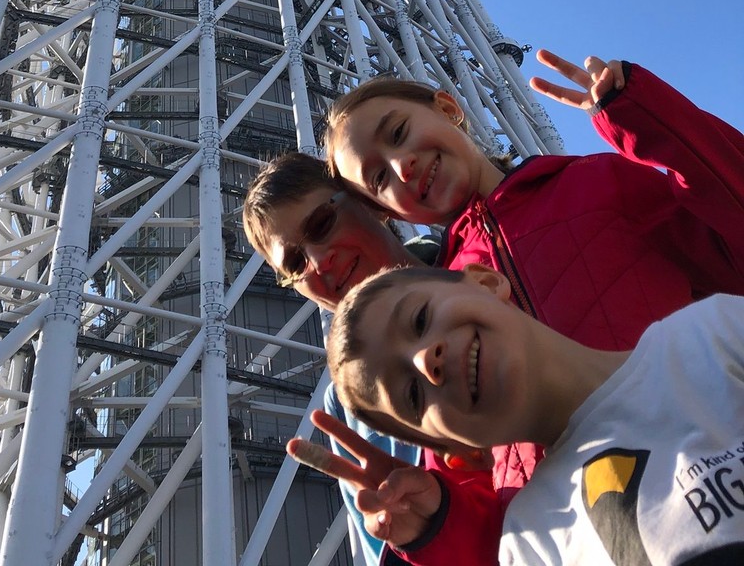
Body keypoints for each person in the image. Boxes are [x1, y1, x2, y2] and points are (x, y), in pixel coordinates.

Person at [286, 50, 744, 564]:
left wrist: (647, 118)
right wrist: (437, 522)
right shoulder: (436, 307)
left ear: (448, 107)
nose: (401, 165)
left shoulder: (592, 186)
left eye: (398, 132)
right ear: (385, 211)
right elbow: (488, 511)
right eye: (378, 180)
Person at [326, 263, 744, 565]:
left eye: (420, 319)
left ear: (487, 281)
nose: (424, 362)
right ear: (454, 449)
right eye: (413, 396)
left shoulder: (713, 333)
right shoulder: (531, 544)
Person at [243, 150, 464, 565]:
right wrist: (424, 531)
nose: (318, 261)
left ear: (368, 202)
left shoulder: (484, 258)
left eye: (322, 224)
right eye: (295, 263)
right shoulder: (346, 408)